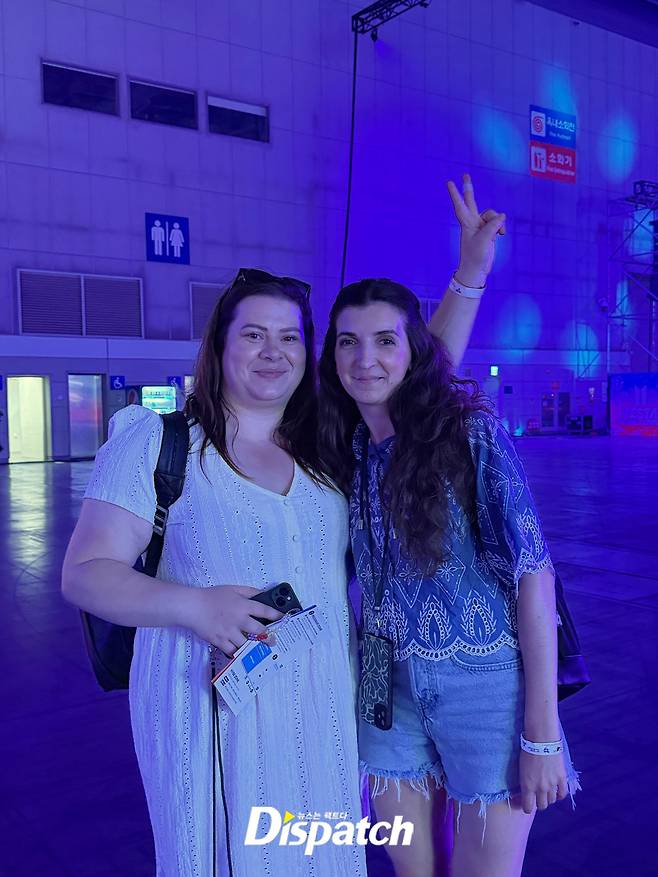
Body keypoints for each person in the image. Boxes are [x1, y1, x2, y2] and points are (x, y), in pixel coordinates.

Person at [61, 197, 485, 877]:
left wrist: (470, 275)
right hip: (207, 708)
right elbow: (85, 571)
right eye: (253, 334)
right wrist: (195, 605)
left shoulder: (327, 445)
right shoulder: (159, 444)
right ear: (220, 346)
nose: (272, 351)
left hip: (324, 703)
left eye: (289, 337)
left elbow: (412, 375)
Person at [317, 183, 580, 877]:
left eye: (385, 341)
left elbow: (534, 578)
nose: (365, 359)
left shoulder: (469, 435)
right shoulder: (348, 448)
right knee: (411, 870)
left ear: (413, 350)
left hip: (484, 689)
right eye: (348, 343)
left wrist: (542, 732)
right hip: (384, 684)